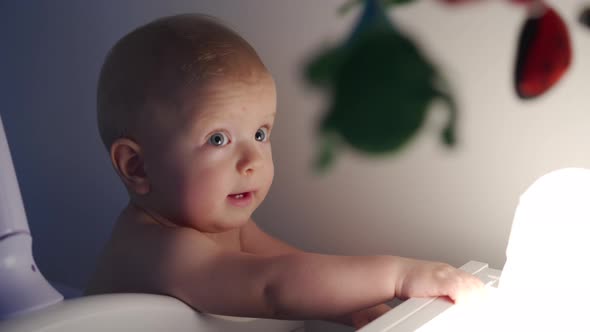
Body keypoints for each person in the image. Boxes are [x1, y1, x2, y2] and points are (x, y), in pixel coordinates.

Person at [85, 13, 483, 329]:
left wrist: (352, 309)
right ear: (136, 165)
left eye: (260, 133)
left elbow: (294, 264)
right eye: (219, 140)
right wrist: (399, 275)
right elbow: (274, 287)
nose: (251, 161)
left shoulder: (227, 227)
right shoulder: (159, 249)